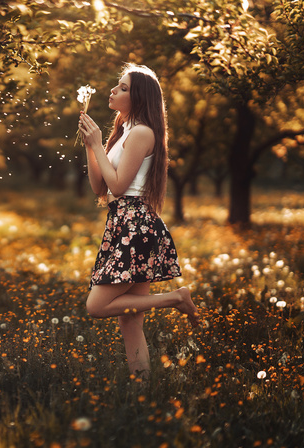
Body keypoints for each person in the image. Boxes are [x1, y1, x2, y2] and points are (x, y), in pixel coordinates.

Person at [77, 63, 199, 377]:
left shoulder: (142, 133)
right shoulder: (123, 132)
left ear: (140, 97)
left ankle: (175, 297)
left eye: (123, 87)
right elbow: (100, 187)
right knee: (130, 320)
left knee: (96, 306)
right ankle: (140, 393)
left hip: (136, 225)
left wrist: (96, 144)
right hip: (122, 223)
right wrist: (92, 146)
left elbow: (119, 186)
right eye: (117, 85)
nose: (113, 91)